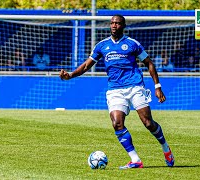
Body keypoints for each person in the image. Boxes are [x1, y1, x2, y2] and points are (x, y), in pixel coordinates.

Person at [59, 15, 174, 169]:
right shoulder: (102, 46)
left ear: (123, 26)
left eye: (118, 23)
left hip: (135, 86)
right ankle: (135, 160)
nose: (114, 25)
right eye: (112, 23)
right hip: (115, 89)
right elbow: (87, 65)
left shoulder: (132, 44)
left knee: (147, 122)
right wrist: (71, 75)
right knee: (117, 123)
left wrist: (157, 86)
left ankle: (166, 149)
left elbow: (149, 63)